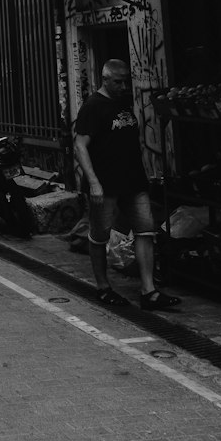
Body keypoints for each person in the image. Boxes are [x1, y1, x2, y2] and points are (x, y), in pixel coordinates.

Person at [73, 58, 180, 311]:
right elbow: (80, 145)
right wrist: (94, 183)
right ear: (105, 79)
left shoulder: (123, 102)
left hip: (133, 182)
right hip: (106, 185)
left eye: (125, 82)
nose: (123, 86)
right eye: (117, 82)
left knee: (145, 231)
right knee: (100, 236)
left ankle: (148, 291)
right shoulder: (93, 106)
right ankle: (103, 287)